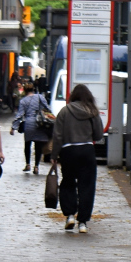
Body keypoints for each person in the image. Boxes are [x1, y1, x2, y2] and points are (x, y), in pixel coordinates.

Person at [51, 84, 104, 233]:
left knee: (68, 182)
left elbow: (57, 136)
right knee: (87, 185)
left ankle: (69, 215)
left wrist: (54, 155)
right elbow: (99, 134)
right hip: (87, 150)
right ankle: (83, 222)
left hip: (68, 151)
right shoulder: (92, 111)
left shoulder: (64, 111)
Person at [12, 83, 51, 173]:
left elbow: (20, 115)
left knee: (27, 144)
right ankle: (36, 166)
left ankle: (28, 164)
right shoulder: (40, 97)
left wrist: (14, 127)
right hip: (39, 123)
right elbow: (47, 108)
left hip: (28, 123)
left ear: (25, 91)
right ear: (34, 89)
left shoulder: (23, 101)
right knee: (38, 146)